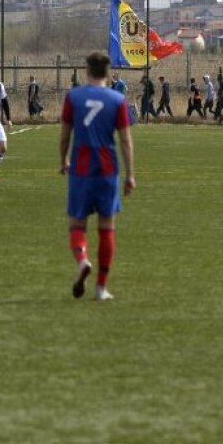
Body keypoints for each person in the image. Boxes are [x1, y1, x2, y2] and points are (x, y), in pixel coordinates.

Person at [60, 51, 135, 302]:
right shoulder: (117, 99)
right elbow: (125, 139)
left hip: (81, 168)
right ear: (106, 72)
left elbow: (65, 134)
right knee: (107, 227)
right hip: (107, 169)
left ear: (87, 71)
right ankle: (101, 288)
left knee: (77, 223)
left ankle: (82, 260)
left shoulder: (74, 97)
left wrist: (64, 160)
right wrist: (130, 175)